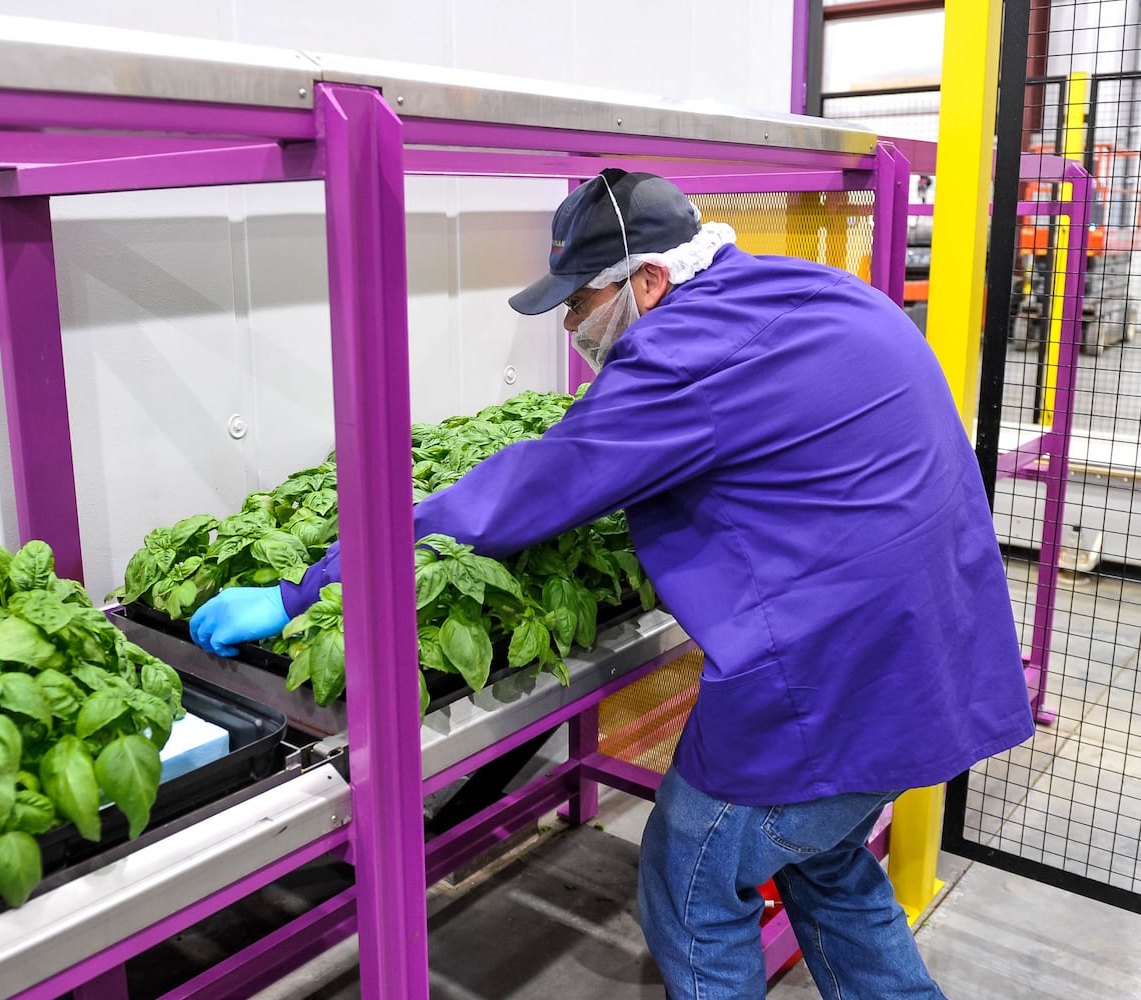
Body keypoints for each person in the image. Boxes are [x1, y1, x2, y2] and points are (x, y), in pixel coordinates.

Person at [189, 168, 1035, 998]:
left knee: (694, 881)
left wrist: (303, 588)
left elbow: (518, 494)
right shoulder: (808, 293)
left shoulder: (684, 355)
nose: (570, 326)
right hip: (933, 645)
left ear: (650, 278)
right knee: (821, 858)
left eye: (578, 302)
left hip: (830, 684)